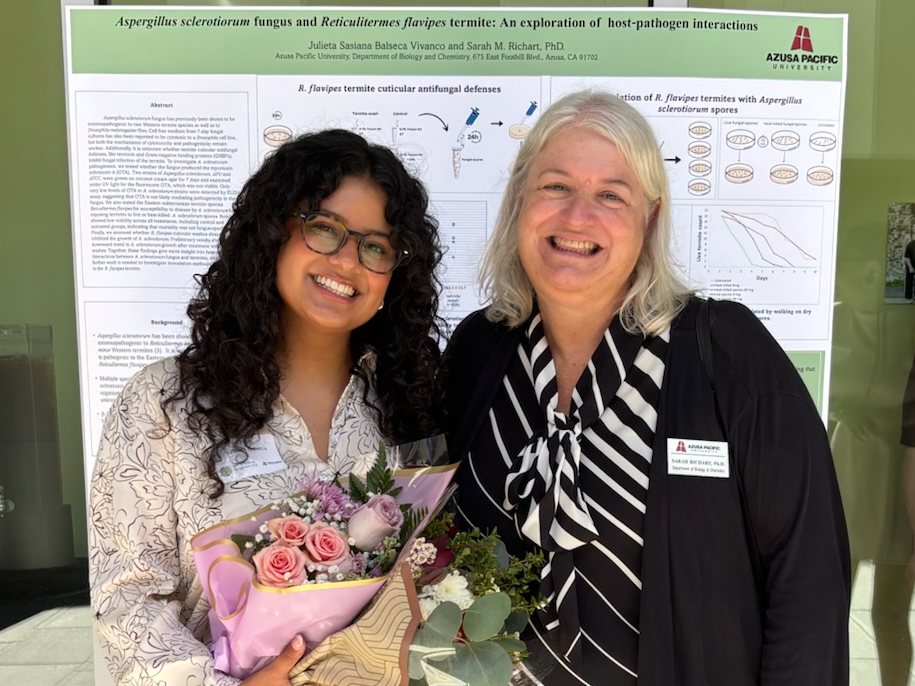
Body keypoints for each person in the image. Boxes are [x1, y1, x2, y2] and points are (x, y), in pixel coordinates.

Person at [443, 90, 850, 685]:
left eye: (611, 195)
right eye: (555, 186)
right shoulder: (480, 350)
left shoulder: (727, 353)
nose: (578, 216)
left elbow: (808, 579)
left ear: (649, 219)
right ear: (518, 202)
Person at [89, 129, 444, 686]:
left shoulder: (409, 407)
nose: (348, 262)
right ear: (274, 233)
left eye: (375, 246)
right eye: (324, 229)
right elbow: (126, 598)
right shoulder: (164, 406)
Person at [904, 237, 915, 301]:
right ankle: (909, 297)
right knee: (909, 280)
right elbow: (906, 257)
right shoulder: (911, 244)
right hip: (910, 264)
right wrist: (910, 268)